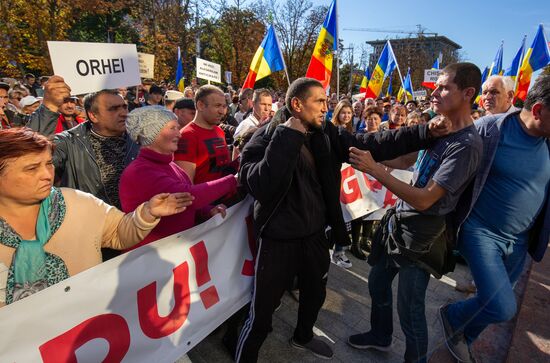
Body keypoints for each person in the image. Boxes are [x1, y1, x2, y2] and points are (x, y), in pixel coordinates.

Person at [235, 77, 451, 362]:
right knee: (262, 313)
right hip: (277, 239)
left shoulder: (326, 133)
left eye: (326, 101)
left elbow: (373, 142)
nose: (327, 108)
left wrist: (424, 132)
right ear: (297, 105)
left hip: (314, 235)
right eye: (320, 102)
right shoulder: (263, 138)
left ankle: (303, 336)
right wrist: (288, 138)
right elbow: (260, 185)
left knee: (315, 294)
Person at [347, 62, 483, 363]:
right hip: (398, 223)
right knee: (377, 282)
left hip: (422, 236)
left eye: (445, 86)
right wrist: (363, 155)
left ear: (468, 93)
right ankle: (380, 336)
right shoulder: (440, 127)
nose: (436, 91)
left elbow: (426, 200)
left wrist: (375, 169)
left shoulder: (467, 145)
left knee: (410, 309)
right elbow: (409, 159)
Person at [0, 127, 193, 307]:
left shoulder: (76, 202)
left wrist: (147, 214)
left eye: (49, 163)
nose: (46, 175)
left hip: (88, 330)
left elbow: (119, 233)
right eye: (31, 169)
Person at [439, 74, 550, 363]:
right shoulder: (491, 128)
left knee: (490, 304)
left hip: (521, 241)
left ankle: (464, 339)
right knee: (501, 306)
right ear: (538, 111)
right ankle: (451, 315)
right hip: (481, 232)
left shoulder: (547, 141)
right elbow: (451, 160)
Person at [119, 106, 237, 250]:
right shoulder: (140, 172)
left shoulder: (169, 164)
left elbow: (186, 204)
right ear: (151, 134)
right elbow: (188, 196)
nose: (179, 134)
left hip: (176, 251)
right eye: (172, 128)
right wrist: (234, 180)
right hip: (152, 260)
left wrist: (207, 211)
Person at [174, 85, 237, 185]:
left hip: (227, 198)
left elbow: (223, 168)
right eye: (217, 106)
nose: (222, 112)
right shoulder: (187, 136)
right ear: (200, 105)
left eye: (224, 106)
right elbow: (186, 186)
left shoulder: (219, 131)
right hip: (205, 199)